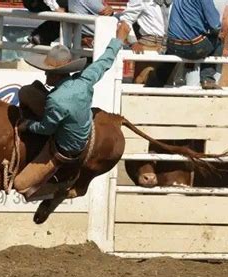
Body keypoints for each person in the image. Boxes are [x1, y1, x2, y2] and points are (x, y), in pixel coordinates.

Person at [13, 37, 124, 199]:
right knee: (26, 91)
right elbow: (104, 62)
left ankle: (60, 186)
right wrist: (117, 40)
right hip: (75, 130)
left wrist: (28, 125)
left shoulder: (56, 99)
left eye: (48, 71)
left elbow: (46, 129)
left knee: (21, 184)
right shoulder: (84, 80)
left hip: (65, 148)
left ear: (56, 75)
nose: (45, 73)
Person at [153, 0, 225, 89]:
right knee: (217, 41)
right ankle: (207, 79)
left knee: (171, 54)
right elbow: (215, 25)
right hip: (193, 47)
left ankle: (155, 82)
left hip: (172, 45)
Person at [116, 0, 172, 83]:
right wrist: (133, 42)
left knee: (167, 83)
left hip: (171, 44)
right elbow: (126, 21)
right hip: (149, 43)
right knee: (142, 80)